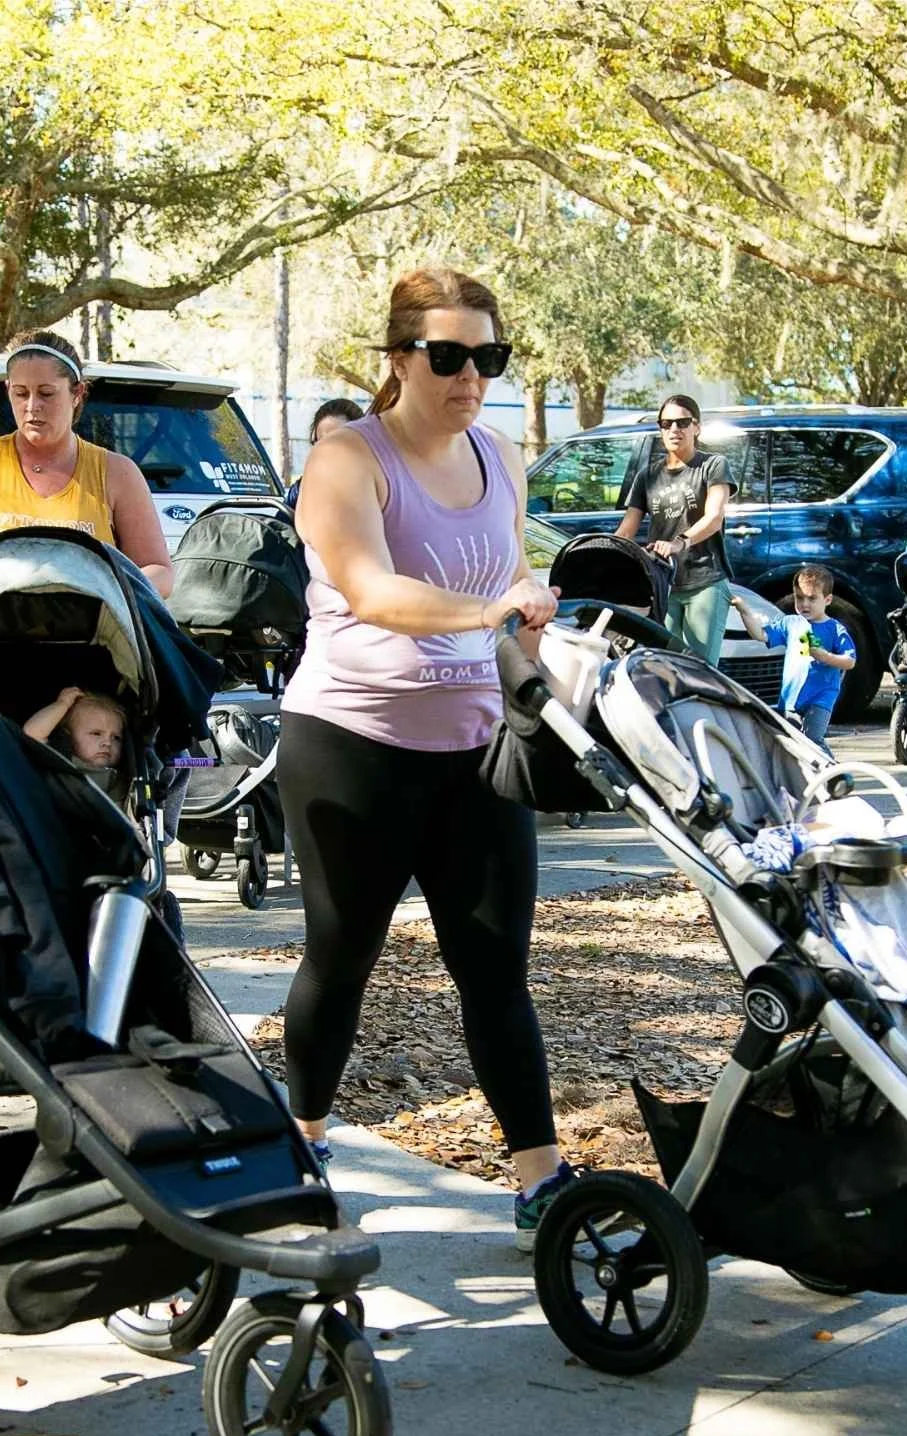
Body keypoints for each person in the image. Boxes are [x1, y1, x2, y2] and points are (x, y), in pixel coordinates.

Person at [284, 265, 574, 1251]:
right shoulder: (344, 458)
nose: (469, 377)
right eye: (448, 357)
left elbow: (509, 567)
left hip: (476, 748)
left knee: (495, 969)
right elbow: (369, 587)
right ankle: (301, 1137)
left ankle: (540, 1178)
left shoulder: (498, 452)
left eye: (487, 357)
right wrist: (487, 609)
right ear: (399, 358)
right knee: (342, 956)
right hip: (350, 745)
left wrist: (533, 611)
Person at [0, 329, 173, 595]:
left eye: (46, 393)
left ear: (77, 393)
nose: (32, 406)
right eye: (21, 393)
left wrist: (105, 590)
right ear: (7, 390)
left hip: (89, 632)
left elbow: (159, 572)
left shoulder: (117, 473)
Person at [615, 394, 734, 664]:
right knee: (663, 668)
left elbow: (713, 517)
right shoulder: (648, 475)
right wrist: (605, 557)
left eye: (682, 423)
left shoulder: (713, 466)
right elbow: (626, 531)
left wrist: (679, 542)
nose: (674, 430)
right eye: (666, 423)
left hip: (704, 581)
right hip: (662, 585)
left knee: (699, 670)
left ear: (697, 427)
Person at [729, 564, 855, 744]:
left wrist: (826, 657)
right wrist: (744, 611)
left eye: (812, 599)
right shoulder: (790, 623)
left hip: (821, 696)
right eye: (799, 598)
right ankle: (801, 772)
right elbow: (760, 634)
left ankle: (834, 771)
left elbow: (850, 661)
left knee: (813, 740)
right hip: (791, 697)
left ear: (827, 600)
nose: (804, 604)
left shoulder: (834, 628)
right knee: (789, 742)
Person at [22, 684, 126, 783]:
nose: (108, 743)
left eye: (116, 738)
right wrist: (63, 704)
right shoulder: (59, 761)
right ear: (69, 735)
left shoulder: (124, 780)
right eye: (96, 733)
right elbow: (31, 734)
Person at [285, 396, 367, 510]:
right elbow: (280, 525)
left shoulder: (377, 491)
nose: (328, 452)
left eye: (337, 442)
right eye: (320, 443)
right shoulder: (301, 490)